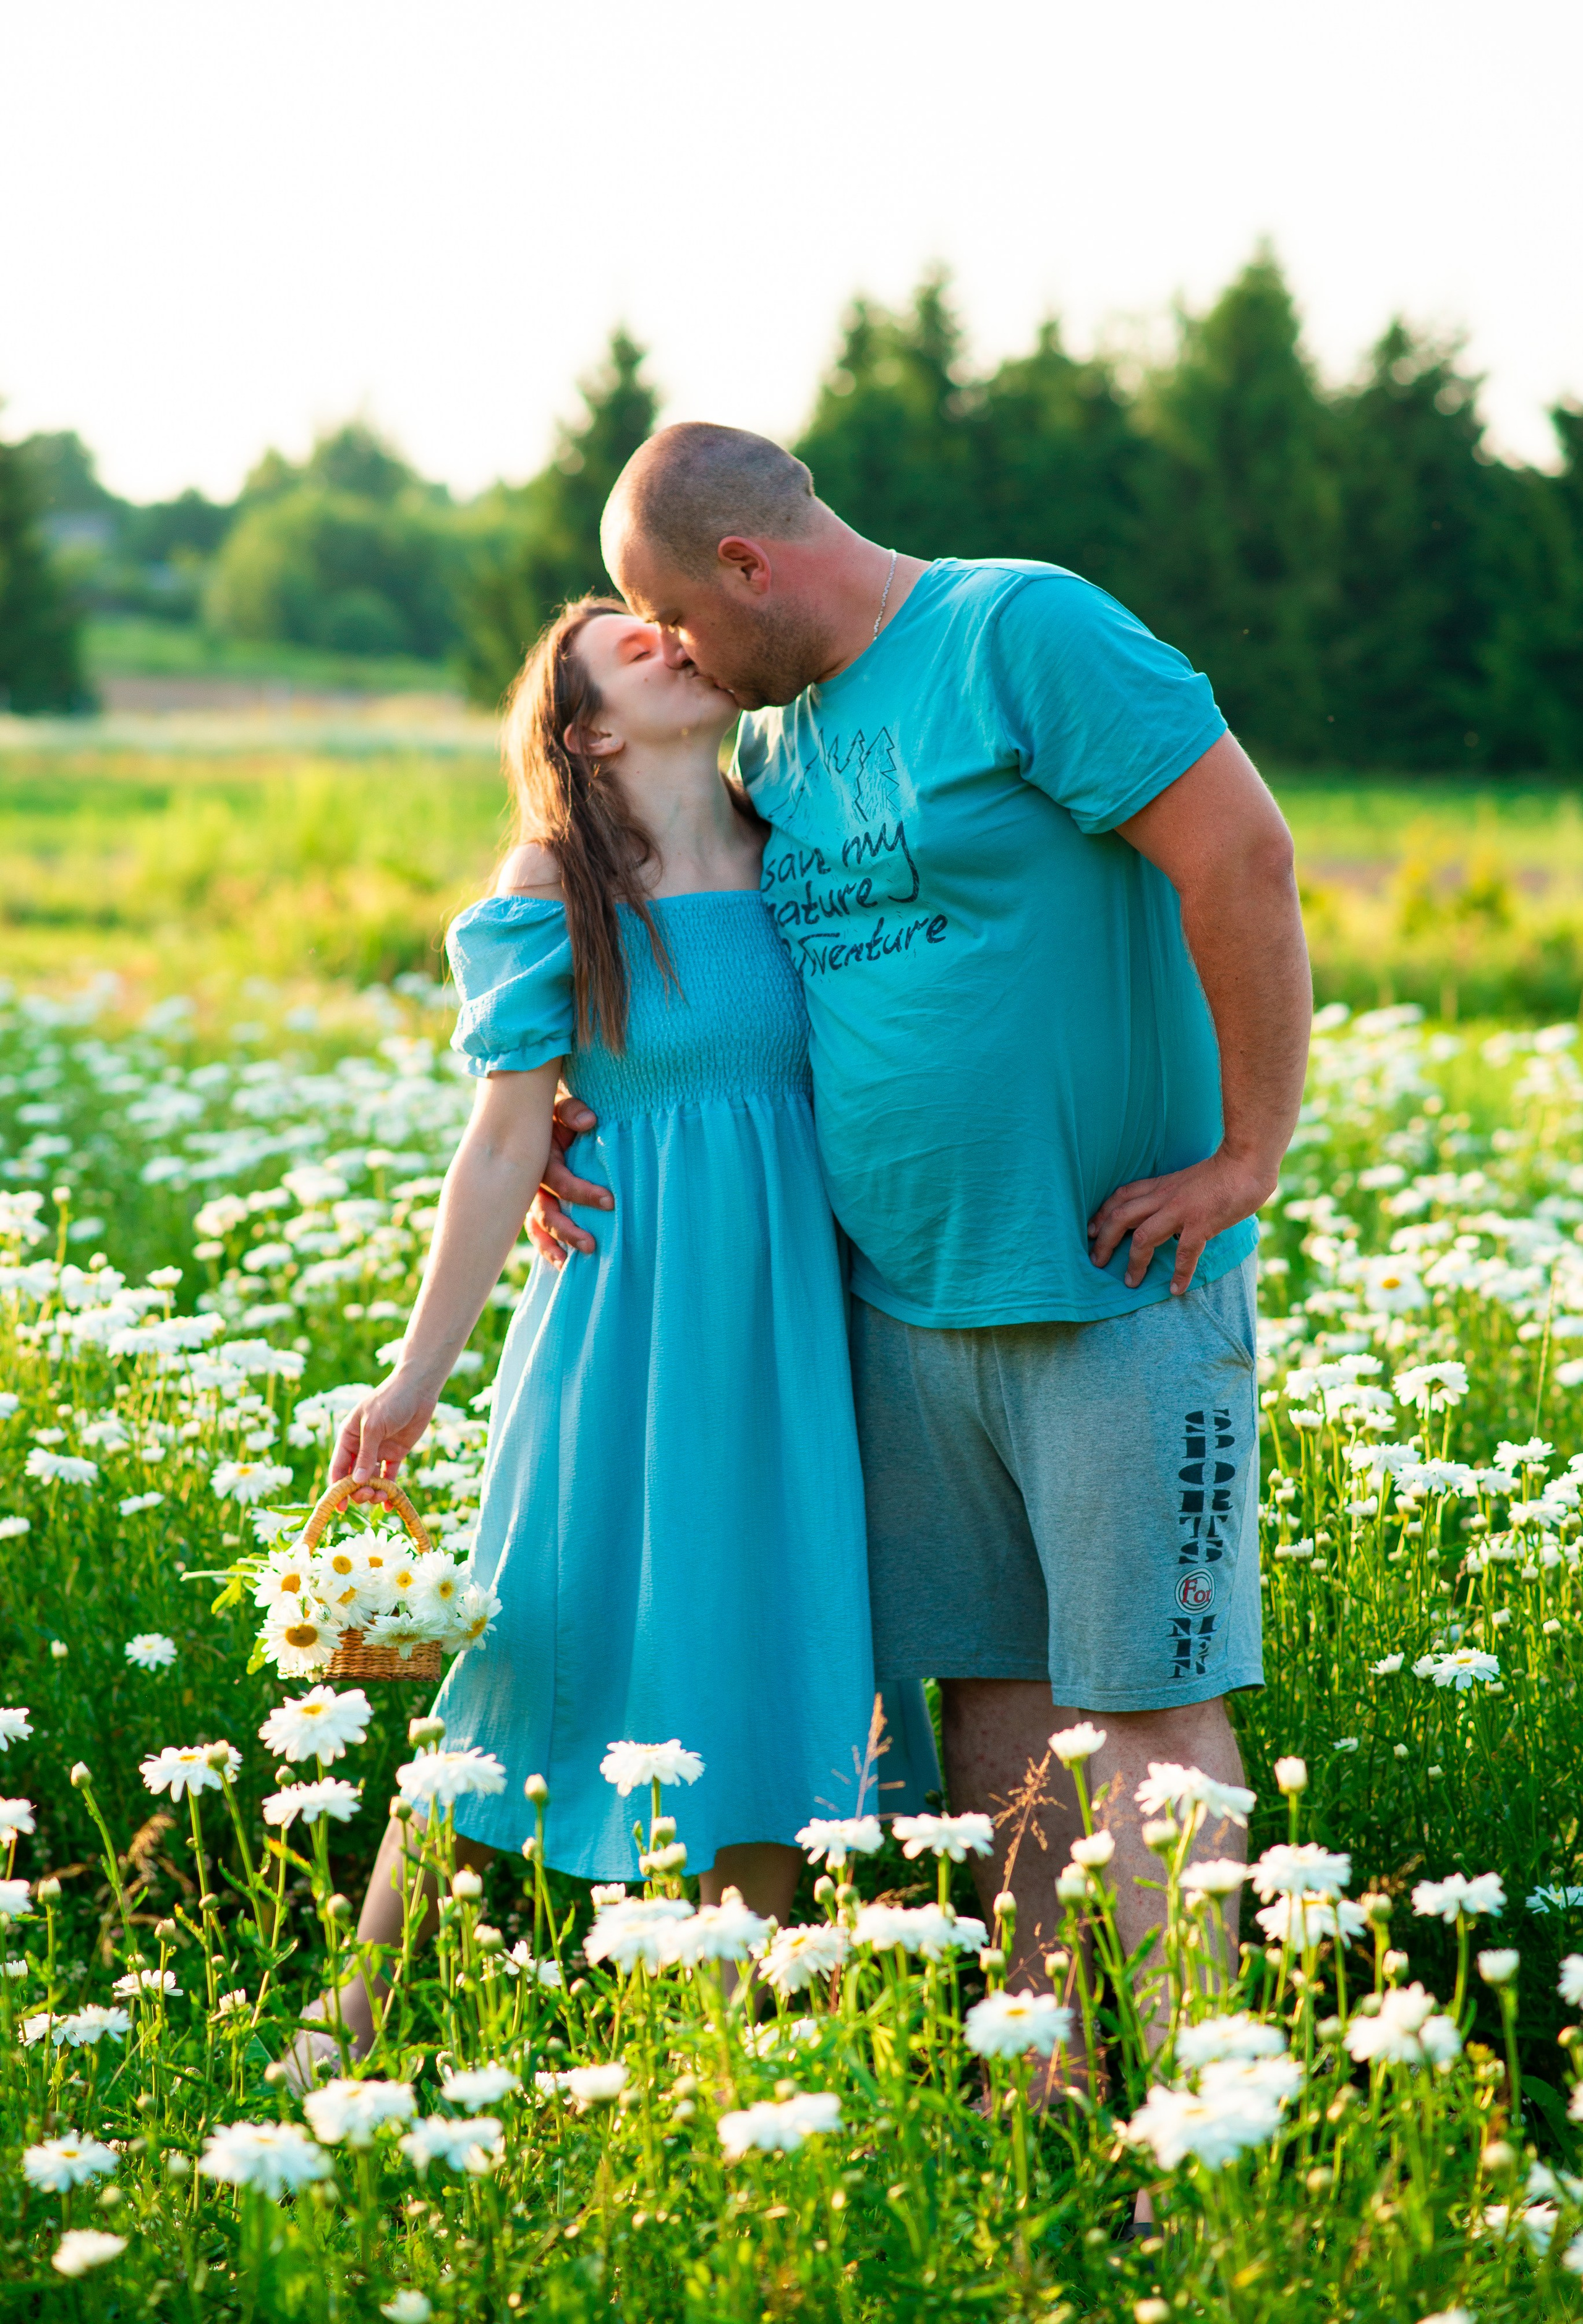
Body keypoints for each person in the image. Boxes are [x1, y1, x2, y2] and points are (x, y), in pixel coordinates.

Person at [529, 423, 1312, 2015]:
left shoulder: (1019, 632)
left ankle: (1211, 2133)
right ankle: (1041, 2094)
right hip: (895, 1311)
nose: (670, 653)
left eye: (675, 617)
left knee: (1151, 1714)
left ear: (746, 564)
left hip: (1114, 1289)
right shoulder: (782, 741)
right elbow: (692, 948)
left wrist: (1248, 1151)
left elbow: (1239, 852)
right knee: (996, 1717)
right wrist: (558, 1093)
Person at [317, 594, 934, 2059]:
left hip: (797, 1326)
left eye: (671, 623)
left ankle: (724, 2039)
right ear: (585, 728)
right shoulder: (557, 881)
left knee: (782, 1637)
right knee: (531, 1645)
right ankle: (351, 2016)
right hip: (625, 1317)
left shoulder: (802, 848)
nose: (673, 640)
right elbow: (496, 1145)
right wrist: (414, 1378)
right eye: (632, 645)